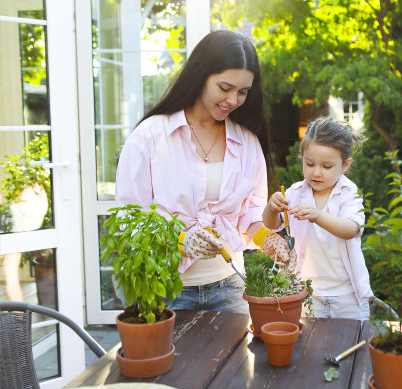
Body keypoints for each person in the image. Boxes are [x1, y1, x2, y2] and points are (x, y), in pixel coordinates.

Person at [115, 30, 292, 313]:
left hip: (230, 287)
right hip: (167, 288)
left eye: (243, 92)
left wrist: (267, 239)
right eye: (225, 88)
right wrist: (182, 241)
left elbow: (249, 215)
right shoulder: (150, 137)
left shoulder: (246, 142)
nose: (233, 100)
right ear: (200, 76)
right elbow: (130, 219)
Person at [262, 117, 373, 320]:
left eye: (327, 166)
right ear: (302, 157)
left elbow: (352, 229)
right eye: (310, 163)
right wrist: (271, 207)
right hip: (304, 292)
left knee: (351, 344)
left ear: (345, 165)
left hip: (346, 295)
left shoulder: (348, 192)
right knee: (308, 347)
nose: (316, 172)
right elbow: (271, 224)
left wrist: (317, 215)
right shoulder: (295, 192)